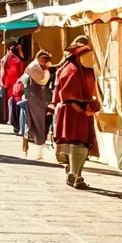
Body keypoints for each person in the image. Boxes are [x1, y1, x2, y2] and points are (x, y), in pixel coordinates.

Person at [53, 36, 99, 189]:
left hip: (76, 111)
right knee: (78, 142)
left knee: (78, 142)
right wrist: (83, 110)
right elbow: (67, 96)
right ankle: (76, 175)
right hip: (74, 112)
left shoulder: (76, 69)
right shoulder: (72, 71)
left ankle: (74, 173)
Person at [21, 50, 53, 159]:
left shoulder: (42, 69)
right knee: (34, 124)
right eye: (43, 59)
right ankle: (30, 151)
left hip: (40, 100)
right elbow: (40, 80)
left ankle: (36, 151)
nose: (45, 61)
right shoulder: (34, 68)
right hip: (33, 99)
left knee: (38, 124)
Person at [0, 42, 25, 132]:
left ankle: (10, 119)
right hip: (14, 84)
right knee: (14, 104)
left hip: (9, 83)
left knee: (10, 104)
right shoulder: (15, 60)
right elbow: (14, 72)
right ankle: (14, 122)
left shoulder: (7, 58)